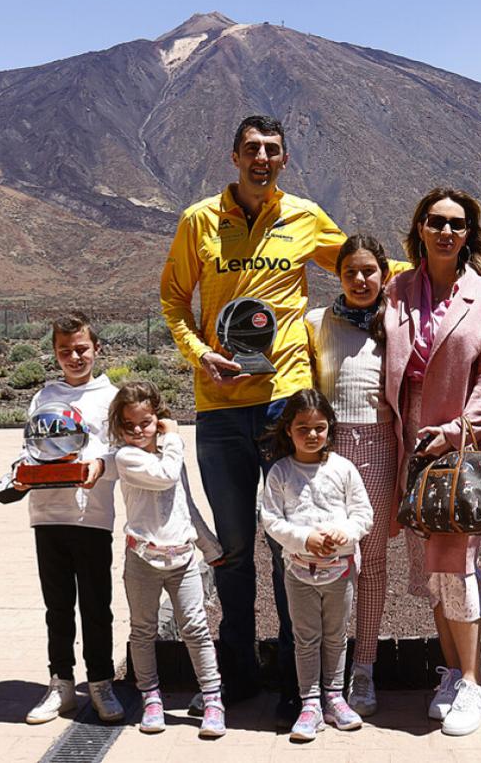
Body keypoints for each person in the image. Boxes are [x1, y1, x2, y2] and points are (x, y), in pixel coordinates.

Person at [160, 115, 347, 723]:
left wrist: (434, 270)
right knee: (236, 547)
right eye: (250, 150)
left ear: (284, 159)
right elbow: (173, 298)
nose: (260, 159)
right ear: (233, 156)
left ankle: (301, 683)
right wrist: (200, 354)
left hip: (282, 404)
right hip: (218, 407)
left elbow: (358, 267)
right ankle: (237, 671)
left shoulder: (305, 217)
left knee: (287, 544)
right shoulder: (199, 221)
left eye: (271, 150)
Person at [383, 187, 481, 737]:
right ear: (418, 228)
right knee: (430, 573)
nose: (445, 232)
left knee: (455, 566)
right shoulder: (396, 290)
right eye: (435, 222)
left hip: (456, 451)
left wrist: (457, 429)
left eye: (456, 225)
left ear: (469, 235)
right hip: (405, 447)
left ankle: (471, 680)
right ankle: (452, 674)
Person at [303, 234, 396, 716]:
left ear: (384, 273)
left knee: (373, 562)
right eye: (350, 273)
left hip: (380, 447)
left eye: (369, 272)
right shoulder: (317, 322)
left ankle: (364, 669)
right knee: (327, 556)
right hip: (329, 453)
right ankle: (323, 674)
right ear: (337, 277)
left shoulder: (397, 323)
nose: (360, 280)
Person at [20, 311, 125, 725]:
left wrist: (101, 465)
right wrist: (19, 472)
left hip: (92, 516)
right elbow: (30, 444)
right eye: (65, 351)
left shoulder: (112, 397)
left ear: (96, 349)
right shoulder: (44, 397)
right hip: (46, 515)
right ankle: (60, 685)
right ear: (55, 353)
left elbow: (121, 450)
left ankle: (100, 684)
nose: (75, 357)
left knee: (97, 605)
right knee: (57, 606)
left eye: (81, 348)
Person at [108, 381, 227, 738]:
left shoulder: (170, 456)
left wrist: (210, 547)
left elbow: (186, 504)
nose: (137, 431)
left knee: (196, 629)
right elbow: (164, 477)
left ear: (156, 419)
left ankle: (212, 699)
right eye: (128, 425)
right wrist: (173, 435)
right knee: (143, 630)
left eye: (145, 422)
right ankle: (151, 697)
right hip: (142, 559)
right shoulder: (126, 457)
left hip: (183, 559)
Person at [259, 389, 373, 742]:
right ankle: (309, 703)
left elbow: (362, 514)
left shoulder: (343, 469)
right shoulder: (279, 472)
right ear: (288, 431)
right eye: (302, 428)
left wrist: (344, 534)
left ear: (330, 428)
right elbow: (271, 520)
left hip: (340, 572)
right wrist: (303, 539)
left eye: (319, 428)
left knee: (336, 637)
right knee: (305, 637)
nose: (311, 435)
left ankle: (334, 698)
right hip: (299, 570)